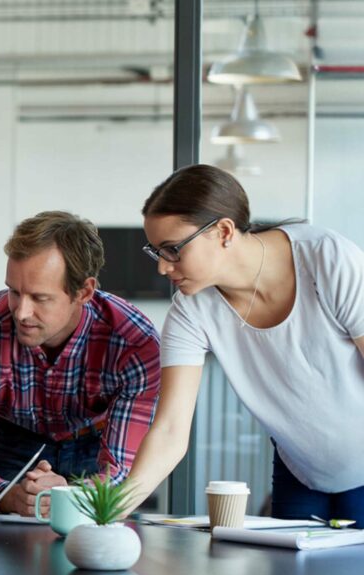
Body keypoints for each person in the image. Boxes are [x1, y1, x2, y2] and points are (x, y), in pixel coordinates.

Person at [122, 164, 364, 525]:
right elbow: (171, 429)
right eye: (156, 251)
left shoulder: (326, 259)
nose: (162, 267)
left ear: (223, 231)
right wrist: (110, 509)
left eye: (172, 249)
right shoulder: (190, 311)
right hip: (302, 473)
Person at [0, 211, 161, 516]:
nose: (21, 312)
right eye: (14, 292)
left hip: (95, 449)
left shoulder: (134, 343)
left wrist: (70, 496)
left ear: (83, 292)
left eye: (40, 298)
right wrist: (10, 497)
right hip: (9, 446)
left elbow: (123, 474)